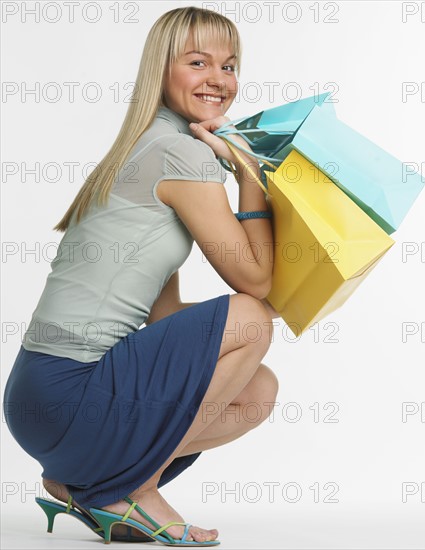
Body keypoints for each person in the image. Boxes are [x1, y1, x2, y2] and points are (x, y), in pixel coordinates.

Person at [3, 6, 280, 547]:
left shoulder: (144, 147)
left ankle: (80, 481)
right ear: (161, 69)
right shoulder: (182, 155)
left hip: (38, 400)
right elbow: (256, 284)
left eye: (230, 65)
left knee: (257, 391)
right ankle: (131, 488)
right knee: (251, 318)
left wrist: (210, 336)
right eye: (198, 62)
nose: (218, 80)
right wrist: (249, 168)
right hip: (71, 392)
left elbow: (160, 316)